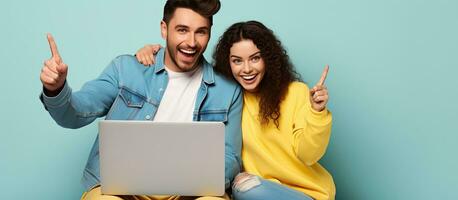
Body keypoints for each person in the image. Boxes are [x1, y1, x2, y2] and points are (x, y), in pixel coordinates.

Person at [39, 0, 243, 199]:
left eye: (201, 31)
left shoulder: (227, 90)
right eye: (182, 30)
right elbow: (75, 114)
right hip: (122, 190)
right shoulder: (126, 69)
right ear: (164, 29)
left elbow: (230, 158)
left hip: (189, 192)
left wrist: (190, 179)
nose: (191, 42)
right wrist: (56, 88)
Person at [136, 21, 335, 200]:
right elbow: (190, 65)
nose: (246, 69)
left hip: (305, 193)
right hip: (255, 192)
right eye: (237, 61)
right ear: (227, 63)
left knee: (244, 186)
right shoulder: (228, 98)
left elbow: (309, 154)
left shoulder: (295, 92)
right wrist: (158, 54)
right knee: (241, 186)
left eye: (255, 58)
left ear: (269, 59)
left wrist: (317, 112)